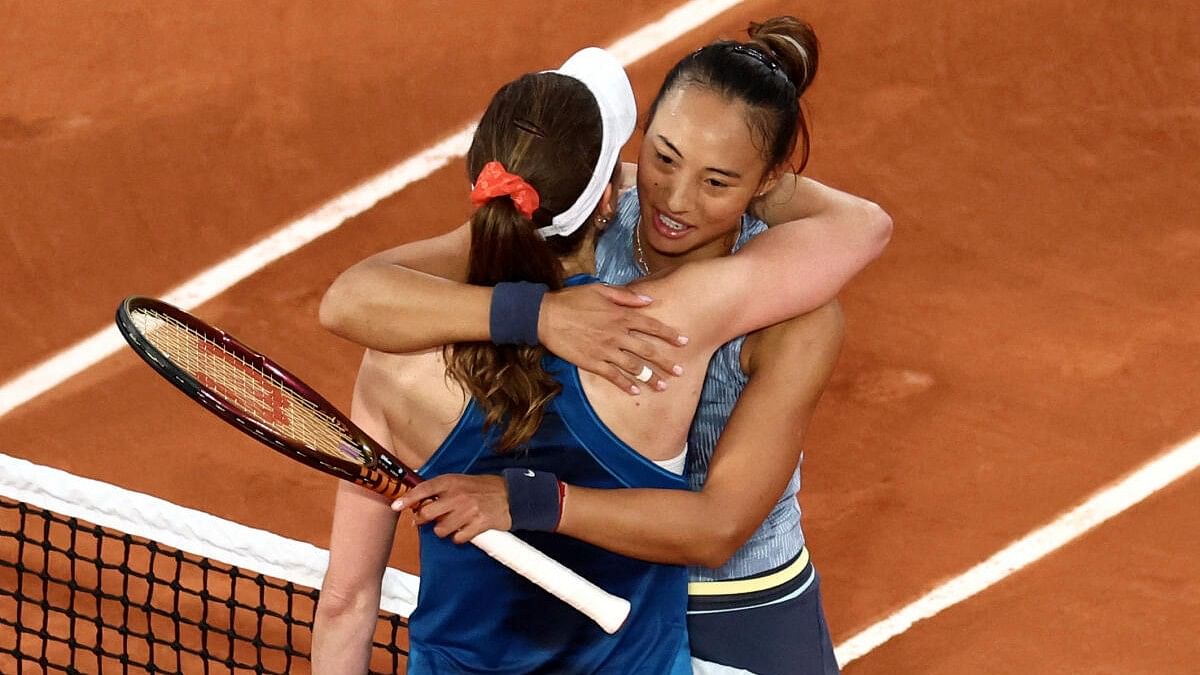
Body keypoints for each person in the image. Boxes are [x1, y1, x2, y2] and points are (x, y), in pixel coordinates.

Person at [319, 18, 891, 675]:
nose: (674, 199)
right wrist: (543, 314)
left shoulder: (791, 309)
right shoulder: (586, 213)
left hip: (736, 606)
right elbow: (355, 297)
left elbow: (717, 526)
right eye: (664, 157)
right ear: (636, 145)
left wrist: (526, 497)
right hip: (584, 582)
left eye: (718, 180)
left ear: (765, 183)